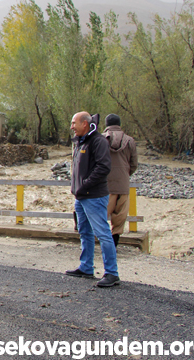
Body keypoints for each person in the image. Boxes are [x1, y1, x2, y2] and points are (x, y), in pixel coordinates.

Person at [65, 112, 119, 288]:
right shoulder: (81, 140)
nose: (72, 127)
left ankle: (112, 273)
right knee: (84, 231)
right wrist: (78, 189)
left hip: (94, 196)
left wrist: (85, 185)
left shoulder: (98, 141)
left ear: (85, 124)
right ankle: (86, 267)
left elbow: (104, 167)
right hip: (81, 196)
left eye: (74, 123)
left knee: (103, 233)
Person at [101, 114, 138, 248]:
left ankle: (102, 244)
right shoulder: (130, 141)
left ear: (106, 124)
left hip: (104, 185)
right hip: (123, 184)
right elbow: (134, 164)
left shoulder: (100, 140)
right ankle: (114, 243)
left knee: (101, 215)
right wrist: (125, 175)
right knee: (120, 216)